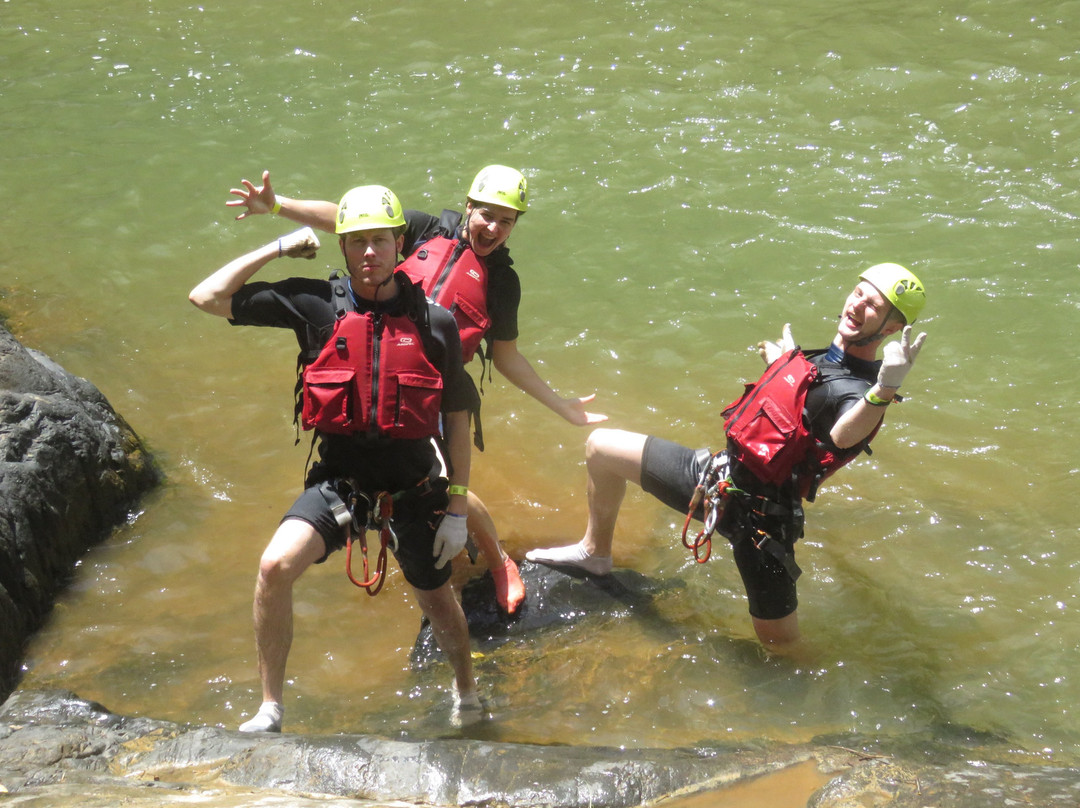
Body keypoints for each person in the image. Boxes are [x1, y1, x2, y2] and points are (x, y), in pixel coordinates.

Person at [224, 165, 607, 615]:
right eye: (487, 214)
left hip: (437, 389)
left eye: (507, 221)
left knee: (450, 486)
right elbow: (349, 220)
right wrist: (278, 206)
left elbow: (507, 358)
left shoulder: (503, 283)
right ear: (469, 206)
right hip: (382, 367)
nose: (493, 228)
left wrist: (561, 405)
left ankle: (499, 560)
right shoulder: (424, 229)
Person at [190, 185, 484, 732]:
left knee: (439, 604)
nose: (368, 253)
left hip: (414, 490)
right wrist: (278, 246)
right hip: (341, 485)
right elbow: (205, 297)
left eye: (379, 240)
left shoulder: (434, 322)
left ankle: (467, 693)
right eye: (356, 243)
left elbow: (460, 417)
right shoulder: (315, 306)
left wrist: (459, 507)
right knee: (274, 567)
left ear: (401, 243)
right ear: (342, 247)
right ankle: (270, 708)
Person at [526, 263, 929, 650]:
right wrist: (783, 367)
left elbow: (843, 435)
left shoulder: (862, 392)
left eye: (873, 306)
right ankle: (595, 554)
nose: (857, 305)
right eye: (858, 293)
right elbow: (799, 405)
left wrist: (885, 389)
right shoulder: (821, 359)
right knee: (601, 447)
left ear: (892, 328)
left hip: (763, 524)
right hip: (719, 478)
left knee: (782, 649)